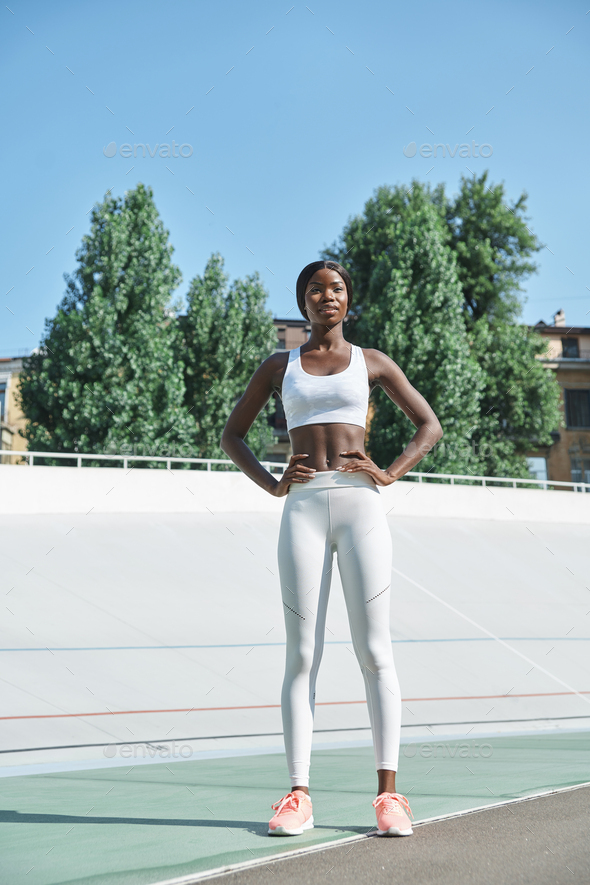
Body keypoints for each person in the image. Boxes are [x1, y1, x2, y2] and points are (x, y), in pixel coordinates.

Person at [221, 260, 443, 838]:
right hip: (302, 509)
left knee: (375, 651)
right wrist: (273, 484)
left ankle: (390, 797)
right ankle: (298, 795)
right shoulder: (280, 365)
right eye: (316, 289)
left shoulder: (371, 362)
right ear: (303, 302)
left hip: (361, 506)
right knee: (301, 655)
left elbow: (429, 426)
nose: (327, 296)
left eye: (337, 288)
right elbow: (231, 435)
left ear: (348, 300)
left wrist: (389, 472)